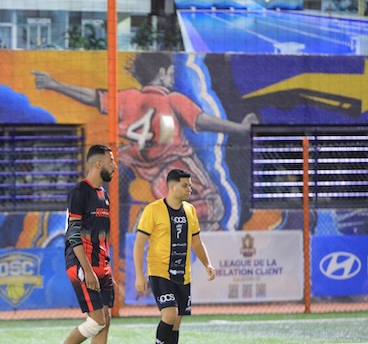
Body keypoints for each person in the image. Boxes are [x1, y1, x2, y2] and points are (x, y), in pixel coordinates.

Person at [33, 55, 257, 232]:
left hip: (147, 171)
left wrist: (54, 84)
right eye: (170, 74)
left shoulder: (127, 98)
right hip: (175, 166)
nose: (172, 79)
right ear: (161, 74)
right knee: (214, 207)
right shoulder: (173, 100)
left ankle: (159, 226)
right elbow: (204, 121)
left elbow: (92, 97)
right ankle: (158, 220)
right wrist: (240, 128)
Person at [41, 144, 123, 344]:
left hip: (101, 265)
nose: (114, 165)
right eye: (111, 161)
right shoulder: (79, 192)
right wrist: (87, 270)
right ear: (98, 164)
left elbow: (102, 237)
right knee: (97, 320)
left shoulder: (103, 195)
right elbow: (73, 234)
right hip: (81, 264)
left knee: (105, 320)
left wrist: (107, 270)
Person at [133, 168, 216, 344]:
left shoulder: (190, 210)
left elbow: (196, 242)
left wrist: (207, 263)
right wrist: (139, 275)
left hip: (183, 275)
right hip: (160, 272)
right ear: (171, 187)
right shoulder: (153, 210)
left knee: (176, 322)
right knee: (169, 315)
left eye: (190, 185)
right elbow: (139, 243)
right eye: (185, 185)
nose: (190, 189)